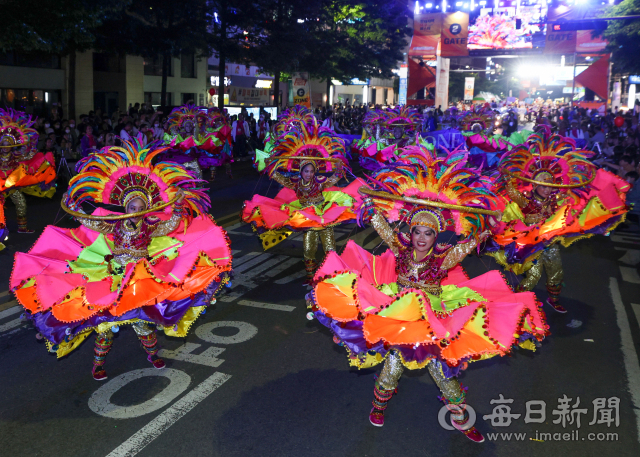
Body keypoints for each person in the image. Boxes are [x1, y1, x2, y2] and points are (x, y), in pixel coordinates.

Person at [307, 148, 548, 443]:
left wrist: (486, 229)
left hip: (432, 316)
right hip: (398, 313)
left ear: (436, 237)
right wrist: (370, 207)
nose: (421, 238)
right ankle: (378, 405)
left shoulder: (442, 260)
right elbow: (383, 229)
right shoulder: (402, 250)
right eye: (417, 232)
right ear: (412, 231)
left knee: (442, 371)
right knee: (392, 367)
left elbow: (467, 245)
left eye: (428, 234)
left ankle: (461, 417)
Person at [11, 141, 233, 380]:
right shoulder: (114, 223)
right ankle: (98, 364)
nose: (135, 209)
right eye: (131, 205)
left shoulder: (150, 226)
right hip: (113, 274)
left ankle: (152, 353)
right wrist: (74, 206)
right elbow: (91, 222)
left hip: (140, 276)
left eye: (139, 206)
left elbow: (170, 224)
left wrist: (177, 208)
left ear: (145, 209)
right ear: (125, 206)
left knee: (142, 323)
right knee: (105, 326)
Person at [485, 133, 630, 313]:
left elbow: (574, 202)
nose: (548, 190)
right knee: (533, 276)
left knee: (556, 273)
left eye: (550, 187)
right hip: (531, 244)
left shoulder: (555, 200)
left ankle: (553, 299)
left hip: (550, 243)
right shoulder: (526, 201)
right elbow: (513, 193)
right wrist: (508, 178)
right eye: (544, 186)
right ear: (535, 185)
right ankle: (516, 302)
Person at [242, 119, 366, 281]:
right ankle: (310, 275)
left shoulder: (320, 181)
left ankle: (333, 274)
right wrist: (270, 167)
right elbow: (279, 178)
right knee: (308, 248)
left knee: (330, 247)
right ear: (301, 172)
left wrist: (340, 169)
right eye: (306, 171)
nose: (309, 174)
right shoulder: (296, 183)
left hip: (323, 215)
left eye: (311, 171)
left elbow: (333, 180)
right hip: (306, 217)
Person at [0, 108, 57, 238]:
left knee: (21, 204)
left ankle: (22, 228)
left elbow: (25, 160)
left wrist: (31, 153)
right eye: (3, 144)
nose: (6, 147)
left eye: (8, 144)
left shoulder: (15, 156)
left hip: (12, 185)